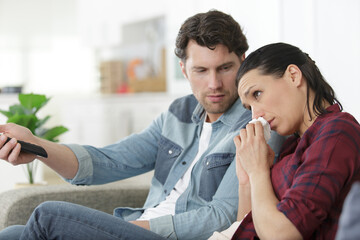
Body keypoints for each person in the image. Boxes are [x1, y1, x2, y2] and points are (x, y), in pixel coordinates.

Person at [0, 10, 285, 240]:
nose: (214, 84)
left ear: (243, 63)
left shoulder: (256, 125)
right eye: (201, 70)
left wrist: (132, 229)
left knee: (49, 216)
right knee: (13, 233)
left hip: (163, 235)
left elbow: (223, 215)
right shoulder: (178, 114)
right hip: (140, 225)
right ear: (184, 69)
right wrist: (38, 147)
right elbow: (107, 161)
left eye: (225, 68)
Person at [227, 42, 360, 239]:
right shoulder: (292, 145)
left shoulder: (337, 131)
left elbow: (283, 234)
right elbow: (247, 224)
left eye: (257, 94)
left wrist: (258, 172)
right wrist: (246, 182)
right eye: (249, 108)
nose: (255, 116)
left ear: (293, 76)